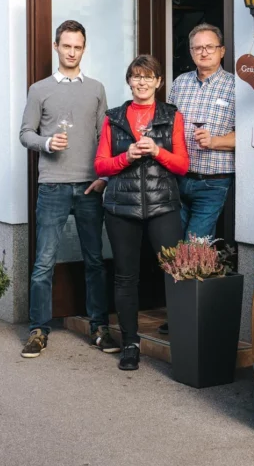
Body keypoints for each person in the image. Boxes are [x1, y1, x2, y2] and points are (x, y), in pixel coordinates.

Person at [19, 20, 117, 359]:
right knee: (44, 260)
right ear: (57, 47)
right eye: (66, 46)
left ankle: (99, 327)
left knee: (94, 260)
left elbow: (105, 136)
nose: (72, 51)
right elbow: (25, 133)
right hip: (53, 187)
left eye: (77, 46)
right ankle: (38, 330)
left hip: (89, 186)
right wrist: (47, 142)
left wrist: (104, 177)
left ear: (83, 48)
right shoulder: (39, 89)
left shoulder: (96, 88)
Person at [94, 54, 189, 371]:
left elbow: (182, 165)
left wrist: (158, 151)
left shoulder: (172, 116)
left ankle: (184, 343)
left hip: (163, 204)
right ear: (129, 81)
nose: (142, 82)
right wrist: (127, 156)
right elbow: (100, 164)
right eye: (136, 76)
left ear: (159, 82)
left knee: (175, 274)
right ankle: (130, 344)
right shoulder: (114, 117)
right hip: (122, 207)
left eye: (148, 77)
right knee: (125, 278)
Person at [162, 23, 236, 335]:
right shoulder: (180, 84)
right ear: (191, 52)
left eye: (210, 47)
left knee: (195, 244)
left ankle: (190, 318)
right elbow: (165, 123)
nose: (203, 52)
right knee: (173, 246)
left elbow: (251, 135)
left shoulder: (236, 86)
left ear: (222, 51)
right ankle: (181, 312)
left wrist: (216, 141)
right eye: (197, 48)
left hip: (213, 180)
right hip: (178, 179)